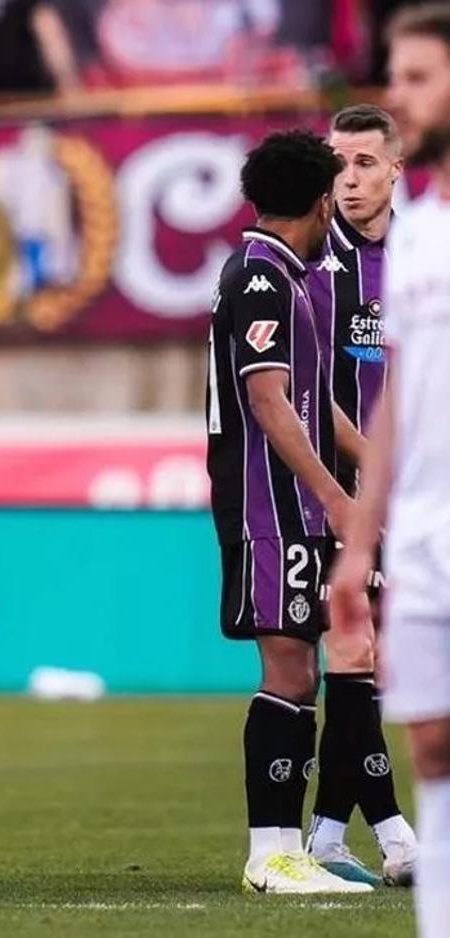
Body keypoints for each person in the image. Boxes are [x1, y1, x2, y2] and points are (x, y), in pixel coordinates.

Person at [206, 128, 372, 894]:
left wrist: (373, 466)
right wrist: (338, 498)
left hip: (293, 507)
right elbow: (270, 403)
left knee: (302, 667)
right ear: (317, 201)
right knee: (290, 668)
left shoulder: (284, 277)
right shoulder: (263, 279)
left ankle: (285, 850)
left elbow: (315, 399)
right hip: (266, 508)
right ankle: (269, 853)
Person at [329, 4, 450, 932]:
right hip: (415, 531)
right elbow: (399, 394)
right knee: (432, 740)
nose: (400, 96)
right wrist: (359, 540)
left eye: (416, 78)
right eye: (395, 78)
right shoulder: (412, 235)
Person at [304, 103, 418, 888]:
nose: (348, 179)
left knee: (373, 660)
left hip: (413, 485)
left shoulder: (423, 254)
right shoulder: (312, 260)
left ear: (396, 168)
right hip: (338, 488)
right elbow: (303, 384)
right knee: (359, 652)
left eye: (364, 164)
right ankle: (396, 832)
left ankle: (321, 833)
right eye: (337, 164)